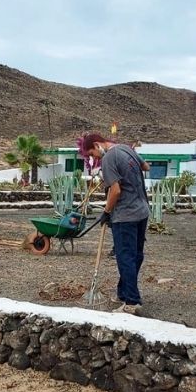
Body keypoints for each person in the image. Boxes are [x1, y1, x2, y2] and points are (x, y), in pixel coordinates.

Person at [80, 132, 150, 315]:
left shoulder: (109, 158)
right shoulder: (126, 149)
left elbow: (116, 190)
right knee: (135, 255)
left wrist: (106, 212)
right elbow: (146, 166)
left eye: (92, 154)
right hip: (142, 210)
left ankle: (132, 302)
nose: (94, 158)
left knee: (125, 257)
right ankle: (123, 293)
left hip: (125, 215)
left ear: (97, 145)